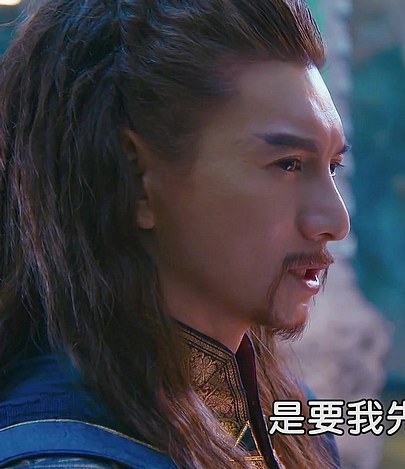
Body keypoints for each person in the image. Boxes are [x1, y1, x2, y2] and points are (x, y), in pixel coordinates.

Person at [0, 1, 349, 468]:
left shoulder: (284, 419)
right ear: (137, 179)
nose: (334, 222)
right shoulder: (68, 455)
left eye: (333, 165)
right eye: (288, 164)